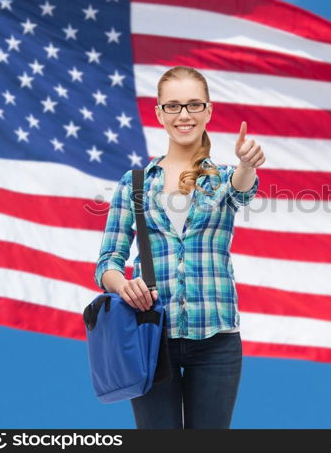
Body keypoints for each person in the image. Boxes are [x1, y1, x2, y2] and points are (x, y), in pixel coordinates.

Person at [93, 65, 265, 429]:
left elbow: (242, 189)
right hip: (152, 341)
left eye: (193, 105)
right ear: (159, 113)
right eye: (172, 106)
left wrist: (246, 165)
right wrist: (122, 285)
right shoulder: (134, 183)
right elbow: (108, 261)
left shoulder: (221, 178)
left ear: (208, 111)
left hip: (216, 340)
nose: (183, 115)